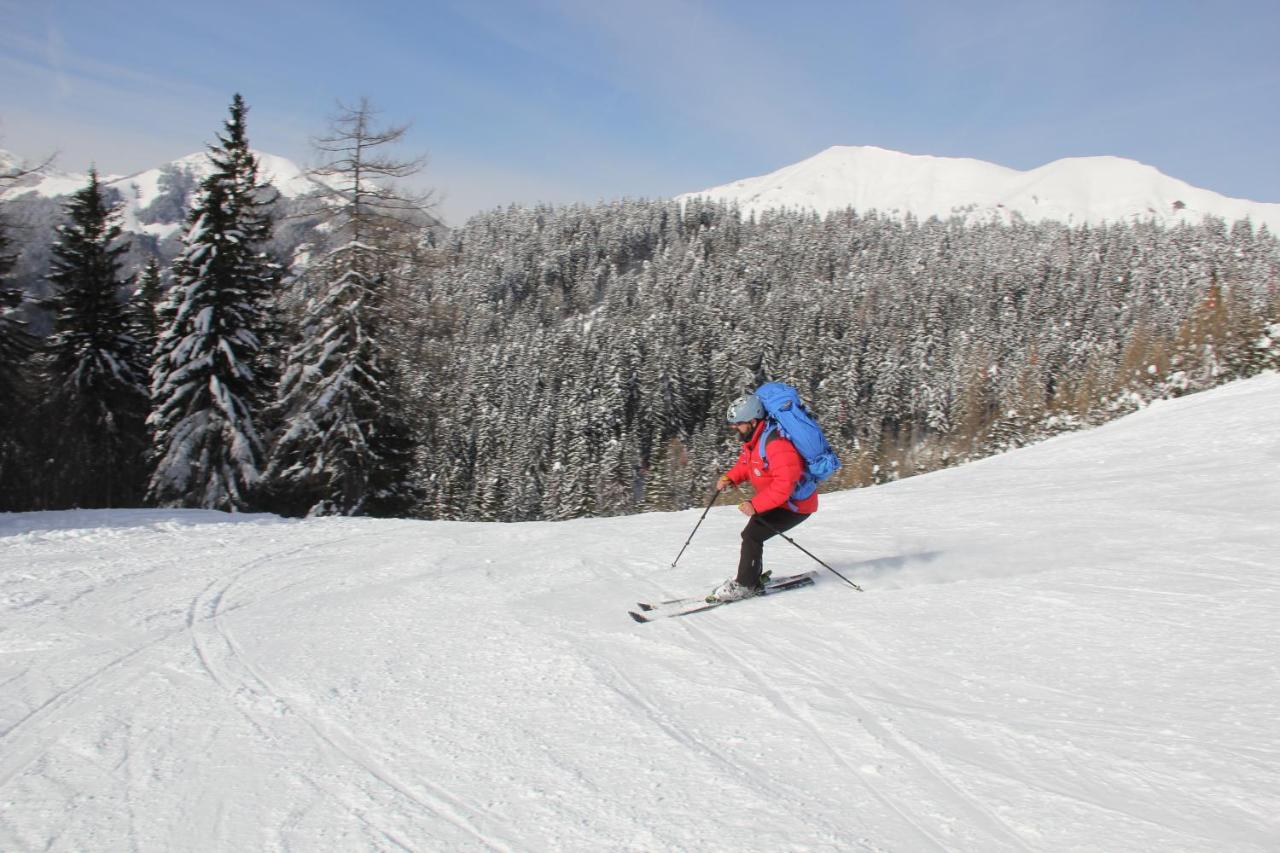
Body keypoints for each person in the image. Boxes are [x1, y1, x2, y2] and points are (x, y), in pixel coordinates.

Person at [709, 393, 817, 602]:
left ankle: (746, 585)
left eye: (738, 424)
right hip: (781, 501)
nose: (735, 428)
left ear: (752, 421)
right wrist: (730, 478)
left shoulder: (776, 444)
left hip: (795, 505)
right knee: (752, 534)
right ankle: (749, 577)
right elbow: (746, 464)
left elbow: (785, 484)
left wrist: (755, 505)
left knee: (752, 535)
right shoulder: (756, 439)